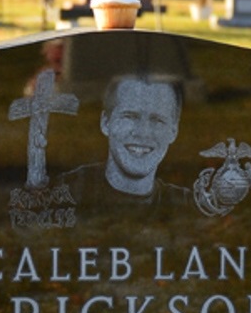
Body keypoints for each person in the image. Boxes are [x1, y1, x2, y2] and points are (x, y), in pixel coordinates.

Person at [58, 74, 192, 214]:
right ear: (105, 122)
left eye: (157, 120)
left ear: (173, 131)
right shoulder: (63, 194)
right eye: (130, 116)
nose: (143, 133)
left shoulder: (187, 206)